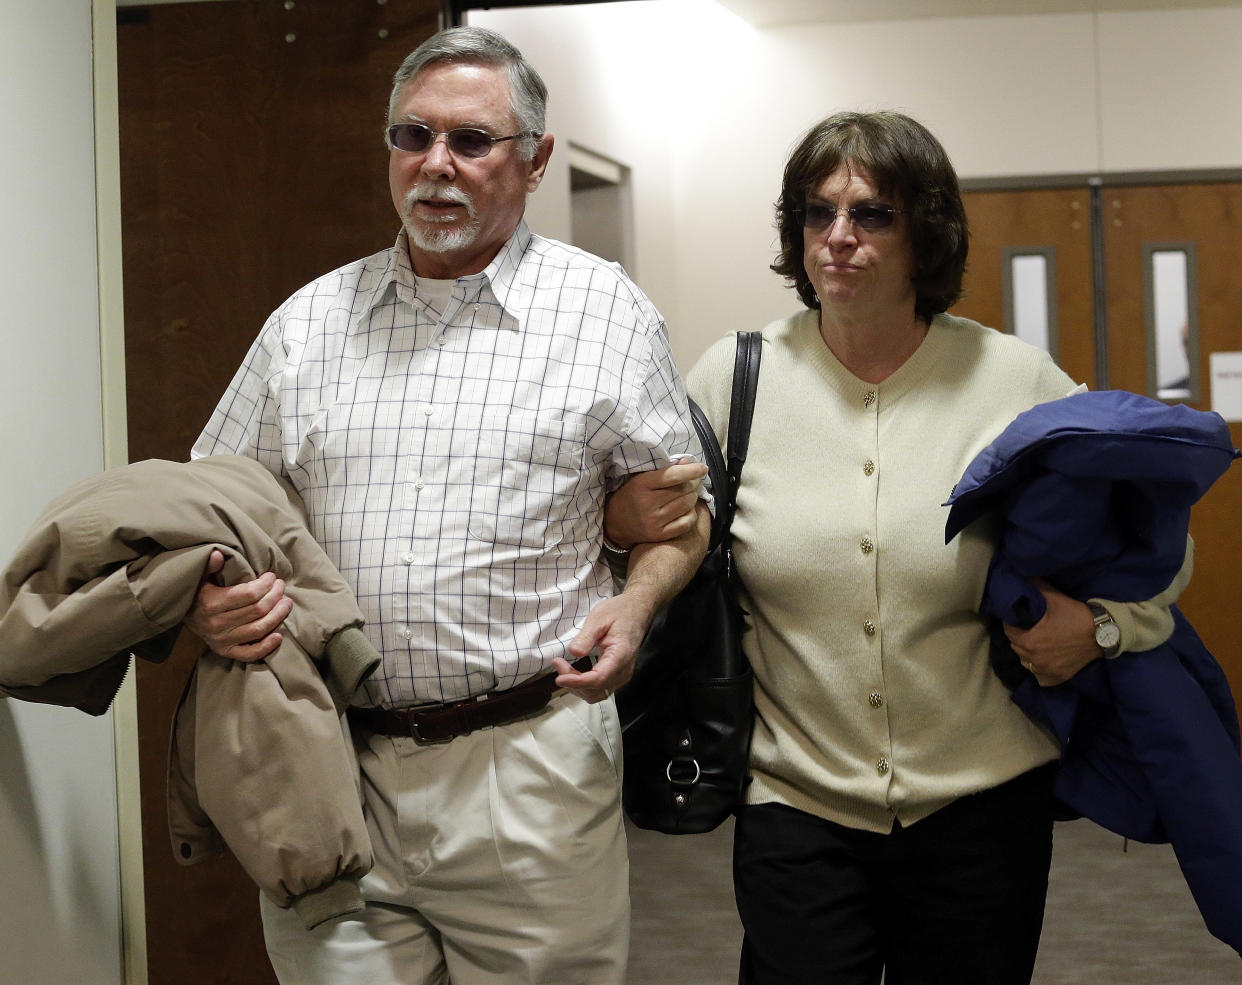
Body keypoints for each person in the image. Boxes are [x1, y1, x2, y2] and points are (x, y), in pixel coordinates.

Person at [608, 111, 1191, 985]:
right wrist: (623, 524)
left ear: (927, 232)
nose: (838, 237)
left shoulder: (1014, 381)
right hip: (794, 807)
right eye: (817, 213)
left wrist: (1104, 627)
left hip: (982, 811)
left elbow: (1158, 547)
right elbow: (663, 536)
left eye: (871, 213)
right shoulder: (734, 376)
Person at [185, 26, 709, 985]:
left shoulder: (604, 313)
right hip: (331, 760)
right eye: (412, 135)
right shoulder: (305, 324)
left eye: (472, 140)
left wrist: (638, 606)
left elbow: (681, 516)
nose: (435, 164)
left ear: (537, 159)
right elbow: (213, 510)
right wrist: (210, 595)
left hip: (529, 769)